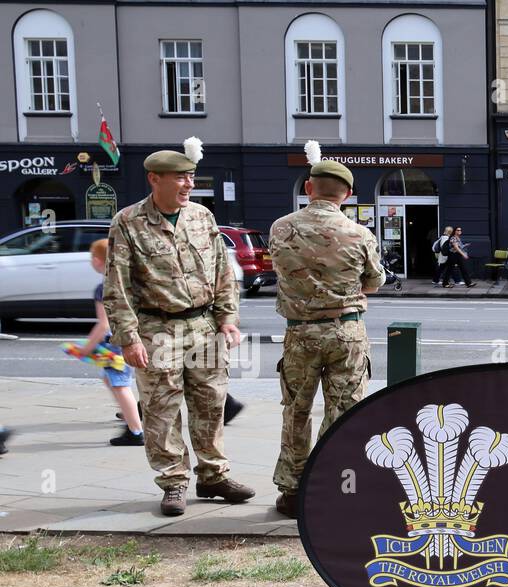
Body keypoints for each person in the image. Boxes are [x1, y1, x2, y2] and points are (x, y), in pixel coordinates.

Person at [103, 138, 253, 517]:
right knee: (161, 411)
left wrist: (228, 318)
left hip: (203, 327)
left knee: (210, 405)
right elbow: (117, 286)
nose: (188, 184)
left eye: (191, 177)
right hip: (157, 329)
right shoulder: (128, 222)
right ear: (155, 179)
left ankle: (214, 476)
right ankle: (173, 482)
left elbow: (222, 271)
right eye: (180, 178)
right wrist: (128, 338)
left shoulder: (202, 217)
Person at [268, 143, 384, 518]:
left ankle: (291, 490)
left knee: (296, 411)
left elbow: (282, 273)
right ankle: (333, 485)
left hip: (300, 332)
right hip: (345, 332)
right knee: (344, 410)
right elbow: (374, 281)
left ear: (309, 188)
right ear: (347, 195)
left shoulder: (281, 228)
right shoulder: (359, 234)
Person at [76, 238, 143, 445]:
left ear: (98, 260)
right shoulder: (127, 279)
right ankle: (129, 415)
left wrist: (86, 348)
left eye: (91, 257)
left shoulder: (103, 286)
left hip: (117, 342)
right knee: (110, 379)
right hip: (132, 338)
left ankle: (135, 431)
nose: (90, 261)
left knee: (120, 384)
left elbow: (104, 324)